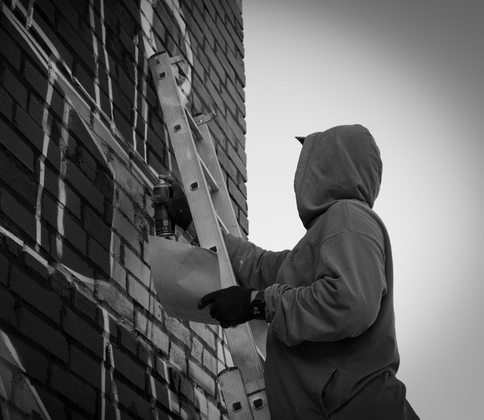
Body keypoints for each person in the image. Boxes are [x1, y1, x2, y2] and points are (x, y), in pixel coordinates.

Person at [172, 125, 418, 419]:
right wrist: (193, 221)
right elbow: (259, 266)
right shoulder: (327, 234)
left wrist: (256, 304)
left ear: (330, 165)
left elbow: (351, 303)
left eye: (311, 161)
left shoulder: (348, 216)